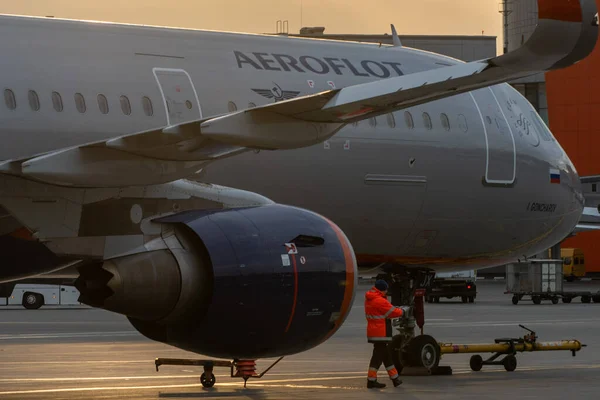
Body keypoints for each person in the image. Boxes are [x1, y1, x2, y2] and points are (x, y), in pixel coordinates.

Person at [365, 279, 408, 389]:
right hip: (381, 332)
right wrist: (403, 311)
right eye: (386, 290)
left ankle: (395, 379)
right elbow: (393, 312)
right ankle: (371, 380)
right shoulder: (379, 300)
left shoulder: (370, 298)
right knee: (378, 357)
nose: (387, 292)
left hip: (374, 331)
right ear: (382, 290)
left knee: (385, 355)